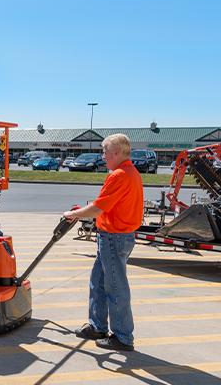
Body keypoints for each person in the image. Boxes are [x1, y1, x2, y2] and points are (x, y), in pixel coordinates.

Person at [62, 134, 144, 351]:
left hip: (114, 238)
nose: (103, 156)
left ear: (116, 152)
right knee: (97, 282)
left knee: (115, 288)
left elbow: (98, 208)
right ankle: (97, 326)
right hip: (115, 237)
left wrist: (75, 214)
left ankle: (123, 337)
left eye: (105, 151)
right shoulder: (131, 172)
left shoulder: (119, 175)